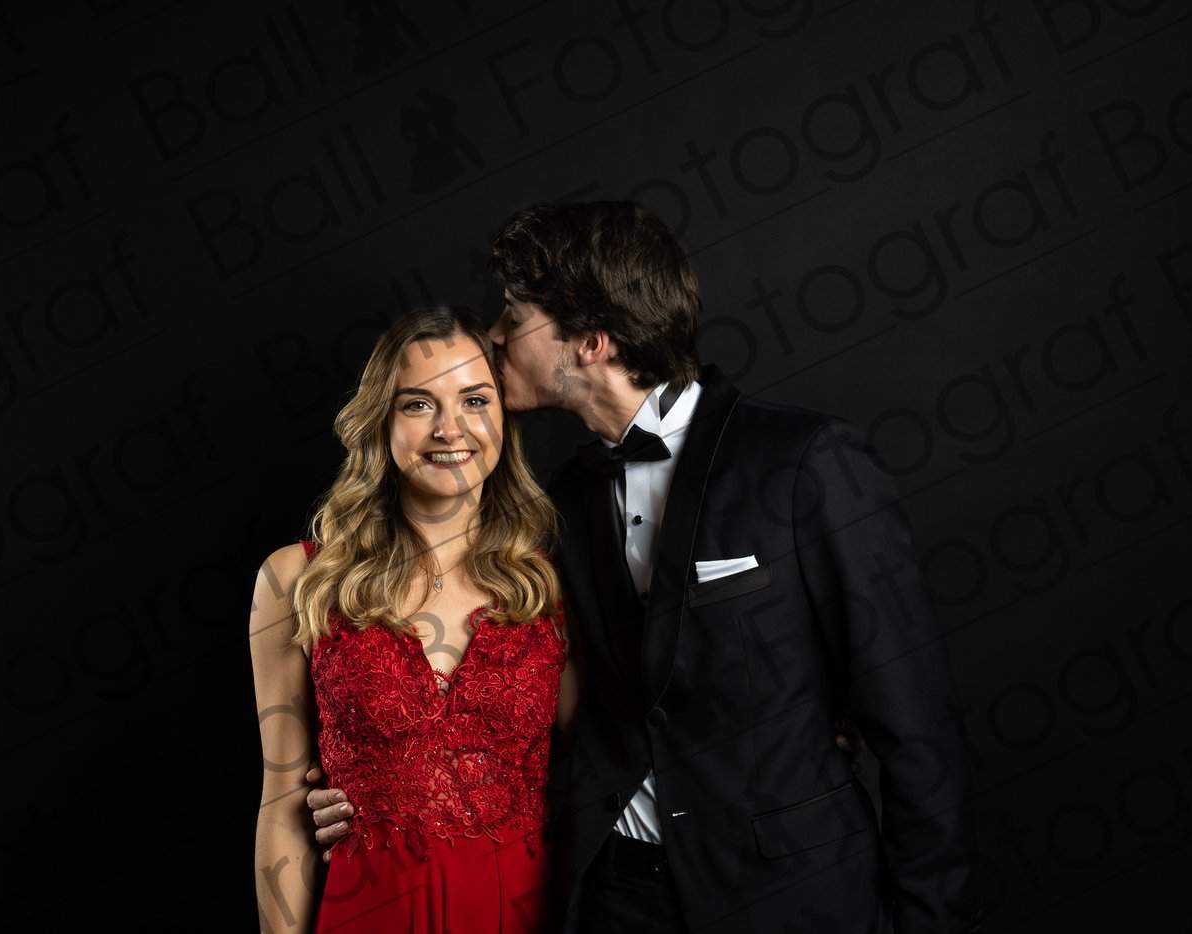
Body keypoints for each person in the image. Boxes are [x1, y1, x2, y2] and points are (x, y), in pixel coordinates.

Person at [308, 201, 982, 933]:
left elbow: (916, 722)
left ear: (591, 341)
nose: (495, 334)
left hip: (786, 896)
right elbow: (539, 704)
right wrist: (368, 781)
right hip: (614, 898)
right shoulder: (557, 505)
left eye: (514, 314)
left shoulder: (802, 463)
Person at [249, 305, 578, 933]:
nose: (451, 429)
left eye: (475, 401)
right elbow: (282, 804)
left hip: (519, 911)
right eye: (419, 404)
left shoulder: (552, 584)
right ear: (382, 420)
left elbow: (610, 758)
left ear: (503, 417)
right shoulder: (297, 577)